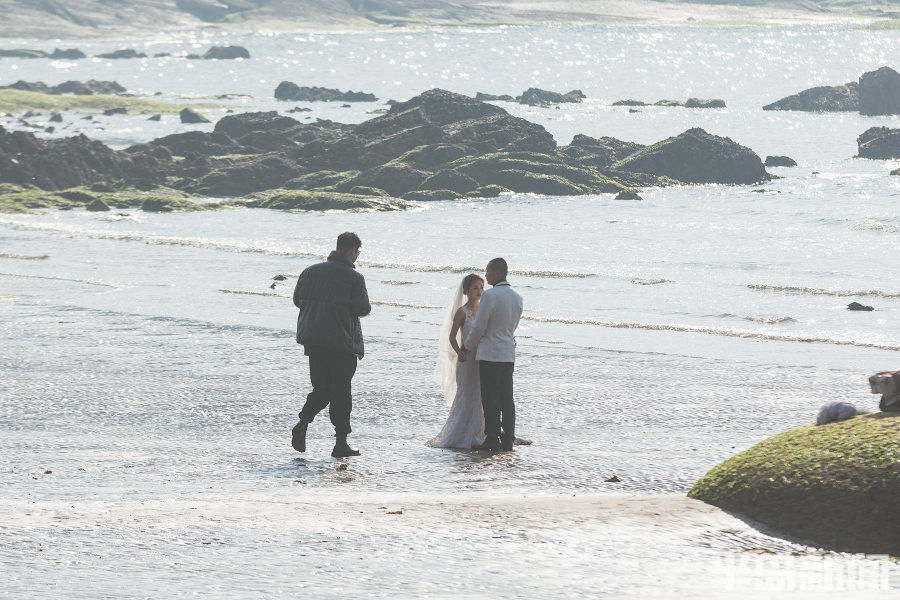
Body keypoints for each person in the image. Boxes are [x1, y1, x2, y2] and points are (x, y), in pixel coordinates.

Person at [291, 232, 371, 458]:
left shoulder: (309, 272)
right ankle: (340, 442)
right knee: (342, 392)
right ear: (351, 250)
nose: (357, 257)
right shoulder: (354, 278)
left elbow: (298, 301)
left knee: (323, 388)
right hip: (341, 342)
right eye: (357, 252)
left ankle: (303, 422)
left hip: (313, 340)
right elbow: (363, 309)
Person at [464, 258, 523, 452]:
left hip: (490, 352)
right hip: (507, 353)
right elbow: (512, 326)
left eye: (488, 272)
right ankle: (508, 437)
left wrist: (468, 346)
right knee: (507, 397)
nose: (486, 275)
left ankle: (492, 437)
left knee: (490, 398)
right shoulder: (517, 297)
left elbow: (480, 326)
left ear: (498, 273)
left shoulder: (490, 296)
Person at [428, 273, 487, 449]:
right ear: (466, 290)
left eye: (481, 288)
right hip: (467, 360)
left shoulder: (484, 309)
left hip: (482, 358)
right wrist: (459, 351)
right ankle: (461, 433)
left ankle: (479, 431)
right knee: (467, 396)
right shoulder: (462, 312)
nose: (479, 291)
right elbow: (452, 337)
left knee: (480, 396)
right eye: (475, 288)